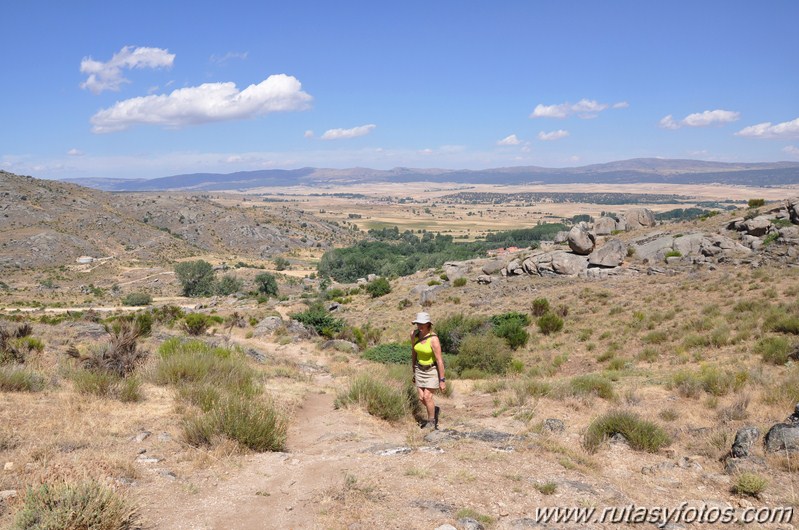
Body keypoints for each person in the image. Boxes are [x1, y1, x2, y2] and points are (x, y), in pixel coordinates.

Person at [411, 312, 446, 429]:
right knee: (421, 398)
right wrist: (413, 370)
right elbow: (414, 352)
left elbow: (439, 360)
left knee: (427, 396)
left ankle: (431, 422)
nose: (419, 326)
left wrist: (442, 380)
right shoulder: (414, 335)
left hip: (431, 370)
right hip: (419, 369)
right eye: (417, 323)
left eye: (422, 324)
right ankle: (433, 410)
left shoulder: (434, 339)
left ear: (428, 324)